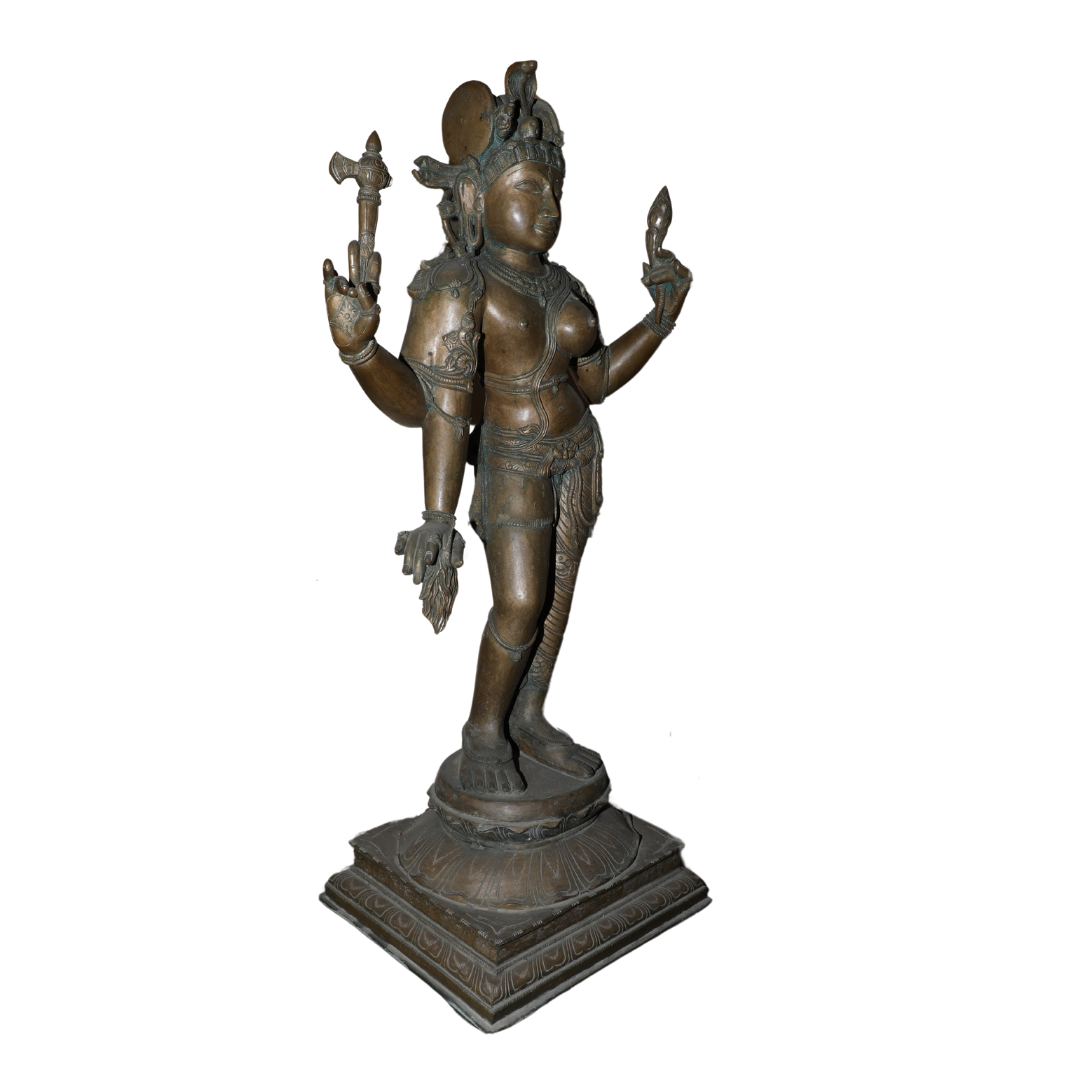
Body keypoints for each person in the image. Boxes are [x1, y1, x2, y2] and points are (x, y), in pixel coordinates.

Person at [322, 61, 691, 796]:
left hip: (577, 454)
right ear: (473, 196)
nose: (548, 205)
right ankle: (483, 728)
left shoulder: (562, 283)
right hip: (513, 458)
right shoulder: (460, 283)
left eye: (554, 189)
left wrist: (658, 323)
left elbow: (593, 380)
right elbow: (430, 404)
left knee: (556, 603)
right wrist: (361, 352)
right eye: (526, 187)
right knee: (519, 603)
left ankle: (529, 713)